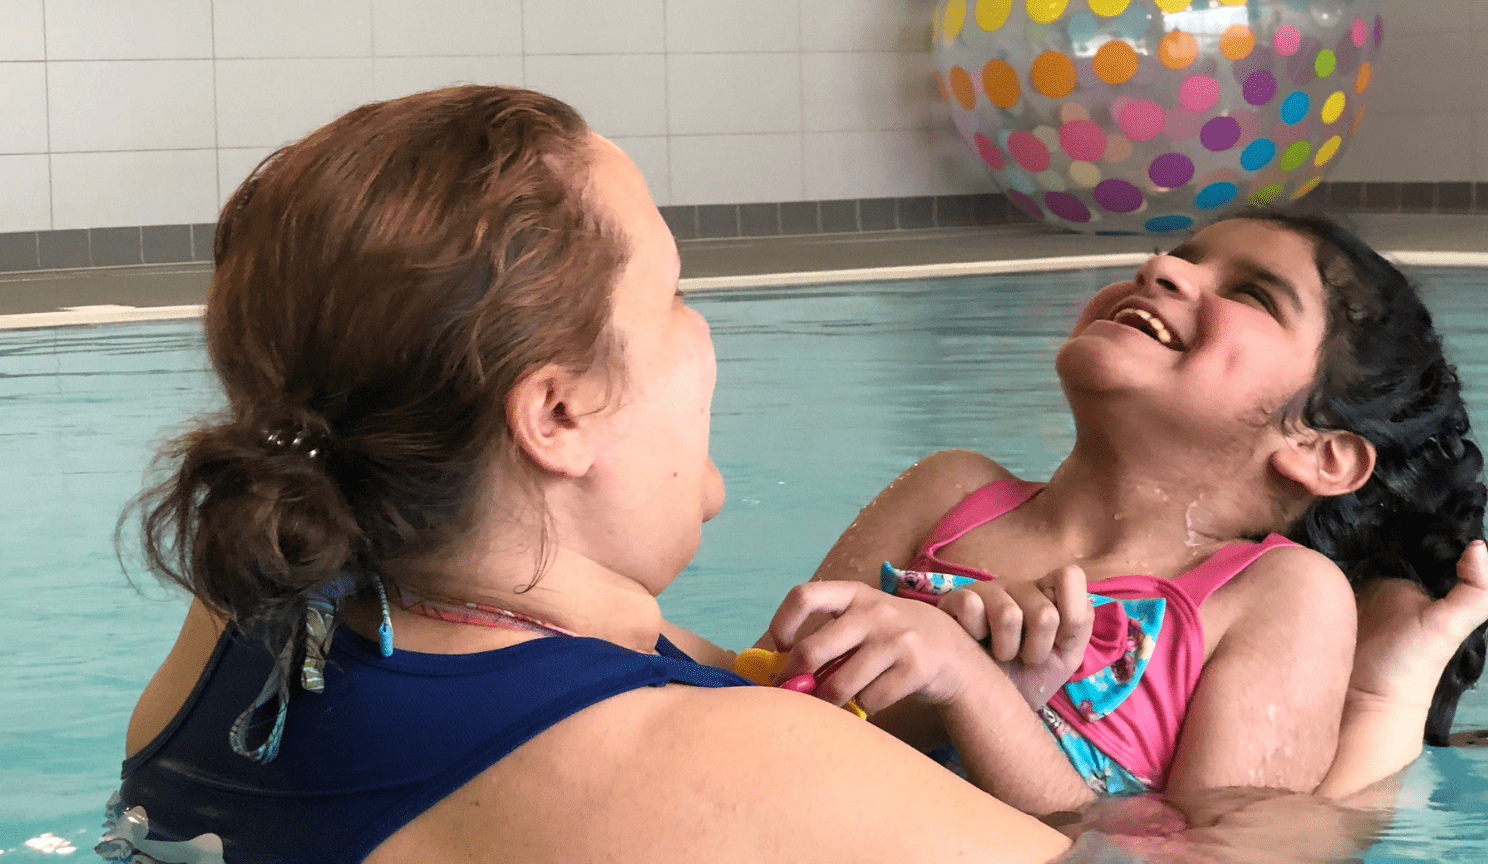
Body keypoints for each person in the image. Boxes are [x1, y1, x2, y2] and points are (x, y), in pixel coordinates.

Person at [102, 86, 1485, 864]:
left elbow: (708, 665)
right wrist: (1380, 728)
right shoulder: (736, 770)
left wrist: (973, 694)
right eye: (680, 297)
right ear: (559, 413)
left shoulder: (252, 615)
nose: (710, 343)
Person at [760, 210, 1487, 815]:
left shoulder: (1275, 597)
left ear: (1319, 452)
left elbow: (1213, 858)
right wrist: (932, 691)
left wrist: (977, 693)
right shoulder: (947, 491)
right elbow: (757, 713)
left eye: (1254, 295)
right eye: (1178, 255)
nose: (1160, 269)